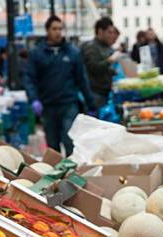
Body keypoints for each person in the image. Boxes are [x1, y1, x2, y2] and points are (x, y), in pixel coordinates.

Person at [24, 15, 94, 155]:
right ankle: (56, 175)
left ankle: (72, 174)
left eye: (60, 29)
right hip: (48, 106)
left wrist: (90, 104)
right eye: (54, 29)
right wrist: (34, 99)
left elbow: (82, 79)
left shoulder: (73, 53)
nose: (58, 32)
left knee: (69, 140)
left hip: (68, 104)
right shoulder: (37, 53)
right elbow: (29, 78)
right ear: (47, 31)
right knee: (53, 146)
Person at [82, 17, 120, 110]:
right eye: (109, 32)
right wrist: (109, 61)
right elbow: (94, 68)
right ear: (100, 31)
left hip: (105, 93)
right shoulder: (91, 47)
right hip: (95, 94)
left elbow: (105, 69)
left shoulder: (105, 47)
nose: (111, 36)